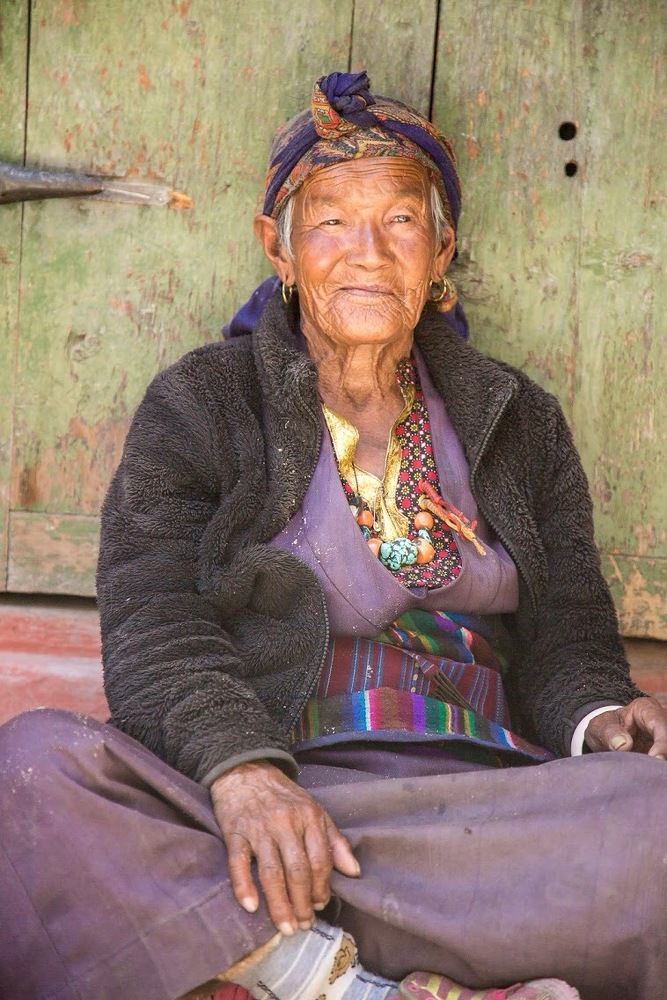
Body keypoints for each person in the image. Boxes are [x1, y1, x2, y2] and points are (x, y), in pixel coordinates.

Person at [1, 71, 665, 1000]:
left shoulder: (518, 420)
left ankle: (258, 957)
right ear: (277, 247)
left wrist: (602, 719)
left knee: (653, 818)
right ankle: (333, 981)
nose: (368, 253)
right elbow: (155, 623)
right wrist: (242, 773)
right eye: (330, 223)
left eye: (400, 220)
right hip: (282, 805)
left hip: (486, 818)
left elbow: (569, 641)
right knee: (34, 770)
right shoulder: (201, 402)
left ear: (441, 251)